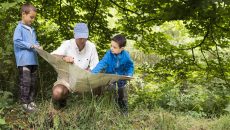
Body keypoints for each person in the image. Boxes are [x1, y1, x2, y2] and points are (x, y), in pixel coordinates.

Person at [51, 23, 99, 108]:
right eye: (79, 37)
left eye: (84, 37)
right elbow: (52, 56)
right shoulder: (67, 44)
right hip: (66, 78)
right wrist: (64, 57)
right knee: (57, 92)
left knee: (99, 83)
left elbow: (96, 65)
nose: (82, 40)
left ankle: (92, 107)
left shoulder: (91, 46)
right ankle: (61, 104)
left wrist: (89, 71)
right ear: (75, 35)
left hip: (83, 79)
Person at [91, 34, 134, 114]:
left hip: (121, 78)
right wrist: (93, 73)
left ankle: (124, 112)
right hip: (111, 77)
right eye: (111, 46)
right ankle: (112, 110)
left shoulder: (126, 56)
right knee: (111, 90)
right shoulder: (109, 54)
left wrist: (129, 74)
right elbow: (102, 63)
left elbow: (130, 66)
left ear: (122, 48)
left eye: (114, 47)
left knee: (122, 93)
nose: (111, 48)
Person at [13, 3, 41, 112]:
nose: (32, 20)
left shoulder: (32, 29)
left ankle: (31, 101)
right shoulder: (19, 28)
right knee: (26, 81)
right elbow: (17, 42)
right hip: (24, 61)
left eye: (34, 18)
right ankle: (24, 103)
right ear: (24, 14)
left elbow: (34, 42)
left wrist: (38, 45)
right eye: (31, 17)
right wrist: (30, 45)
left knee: (33, 82)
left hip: (33, 60)